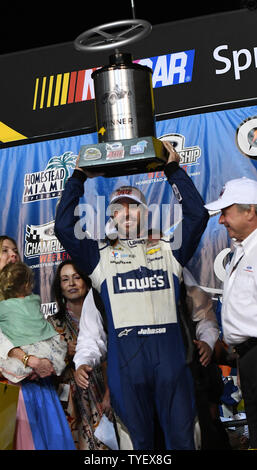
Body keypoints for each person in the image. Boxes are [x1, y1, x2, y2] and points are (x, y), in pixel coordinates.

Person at [54, 141, 209, 450]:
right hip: (127, 366)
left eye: (133, 205)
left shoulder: (169, 248)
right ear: (110, 215)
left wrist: (173, 169)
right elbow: (62, 227)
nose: (125, 212)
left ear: (144, 212)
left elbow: (197, 215)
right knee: (136, 444)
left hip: (170, 361)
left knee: (183, 441)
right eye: (118, 207)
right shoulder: (97, 256)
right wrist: (78, 177)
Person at [0, 237, 75, 450]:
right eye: (4, 250)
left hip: (40, 385)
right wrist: (29, 360)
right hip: (8, 390)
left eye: (15, 250)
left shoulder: (27, 299)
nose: (13, 254)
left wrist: (52, 355)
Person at [204, 176, 257, 449]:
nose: (221, 220)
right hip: (246, 357)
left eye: (226, 212)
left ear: (250, 211)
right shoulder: (243, 248)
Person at [49, 260, 112, 450]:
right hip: (71, 401)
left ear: (86, 280)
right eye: (65, 279)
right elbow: (47, 365)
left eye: (76, 278)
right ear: (59, 287)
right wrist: (64, 352)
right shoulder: (52, 324)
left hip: (106, 391)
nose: (71, 284)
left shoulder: (104, 315)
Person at [0, 262, 67, 383]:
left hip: (27, 368)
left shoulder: (3, 307)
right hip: (44, 349)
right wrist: (33, 361)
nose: (12, 256)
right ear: (27, 284)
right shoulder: (34, 300)